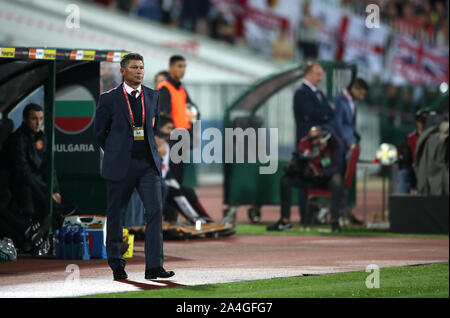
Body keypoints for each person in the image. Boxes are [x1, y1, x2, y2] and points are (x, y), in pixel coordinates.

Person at [94, 52, 174, 281]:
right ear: (123, 71)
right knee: (117, 215)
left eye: (141, 67)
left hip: (147, 163)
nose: (139, 71)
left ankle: (154, 267)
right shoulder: (108, 99)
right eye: (134, 67)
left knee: (155, 211)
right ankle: (117, 265)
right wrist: (115, 152)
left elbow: (153, 127)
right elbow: (100, 133)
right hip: (120, 164)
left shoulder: (153, 95)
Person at [2, 104, 75, 232]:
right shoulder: (16, 140)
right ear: (24, 119)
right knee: (28, 192)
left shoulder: (41, 137)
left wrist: (54, 190)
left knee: (67, 204)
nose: (38, 123)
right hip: (19, 185)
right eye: (34, 119)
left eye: (41, 119)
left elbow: (48, 166)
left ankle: (56, 234)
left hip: (37, 184)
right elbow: (23, 173)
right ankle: (31, 235)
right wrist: (46, 194)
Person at [267, 126, 346, 232]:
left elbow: (339, 167)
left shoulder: (336, 143)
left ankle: (334, 221)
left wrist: (322, 173)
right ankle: (284, 221)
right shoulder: (305, 143)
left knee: (337, 180)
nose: (314, 142)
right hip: (310, 178)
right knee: (286, 180)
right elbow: (297, 158)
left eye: (316, 138)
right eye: (312, 139)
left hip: (327, 179)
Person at [157, 55, 198, 185]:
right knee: (171, 179)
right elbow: (163, 116)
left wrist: (191, 132)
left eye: (184, 66)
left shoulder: (181, 89)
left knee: (178, 179)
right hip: (172, 139)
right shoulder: (164, 88)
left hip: (183, 138)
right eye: (179, 66)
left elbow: (193, 111)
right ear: (170, 68)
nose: (183, 69)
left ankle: (174, 204)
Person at [294, 62, 334, 145]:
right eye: (318, 75)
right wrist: (327, 109)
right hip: (309, 137)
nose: (320, 78)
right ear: (308, 74)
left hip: (323, 133)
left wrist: (325, 111)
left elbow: (329, 112)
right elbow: (311, 113)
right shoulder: (301, 92)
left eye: (321, 75)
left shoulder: (319, 92)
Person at [397, 108, 430, 194]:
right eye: (422, 120)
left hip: (432, 170)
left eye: (426, 121)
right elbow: (405, 161)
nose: (423, 123)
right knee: (403, 173)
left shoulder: (437, 137)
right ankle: (405, 203)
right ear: (417, 122)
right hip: (415, 171)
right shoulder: (411, 138)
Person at [333, 78, 368, 152]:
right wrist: (347, 140)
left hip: (351, 140)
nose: (361, 97)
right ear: (353, 88)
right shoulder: (339, 100)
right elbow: (338, 123)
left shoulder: (352, 102)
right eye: (360, 93)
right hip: (343, 142)